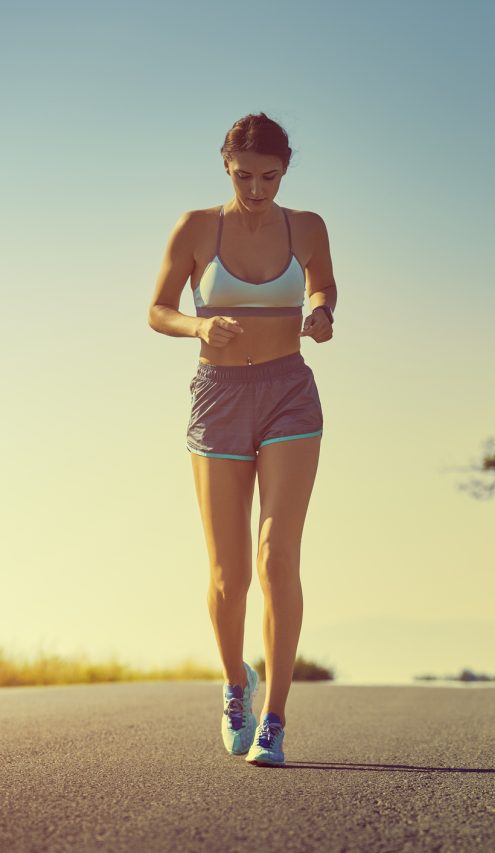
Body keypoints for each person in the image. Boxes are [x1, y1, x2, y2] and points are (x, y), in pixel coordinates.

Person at [147, 112, 337, 767]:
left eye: (270, 176)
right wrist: (197, 329)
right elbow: (158, 308)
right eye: (244, 175)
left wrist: (320, 312)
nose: (257, 188)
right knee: (229, 576)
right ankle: (236, 684)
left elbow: (323, 282)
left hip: (289, 395)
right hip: (219, 400)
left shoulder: (307, 226)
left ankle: (277, 718)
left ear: (285, 170)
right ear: (225, 165)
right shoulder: (197, 227)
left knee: (276, 557)